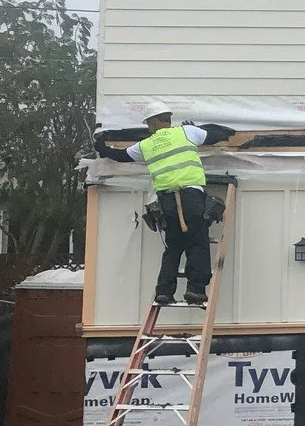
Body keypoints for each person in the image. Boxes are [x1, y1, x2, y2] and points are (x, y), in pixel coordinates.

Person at [94, 102, 236, 307]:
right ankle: (195, 289)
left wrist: (101, 146)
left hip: (167, 201)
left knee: (173, 246)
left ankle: (164, 292)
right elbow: (216, 135)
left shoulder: (146, 145)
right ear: (167, 120)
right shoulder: (187, 132)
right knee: (197, 242)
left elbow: (119, 156)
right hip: (191, 198)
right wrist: (201, 129)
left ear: (152, 123)